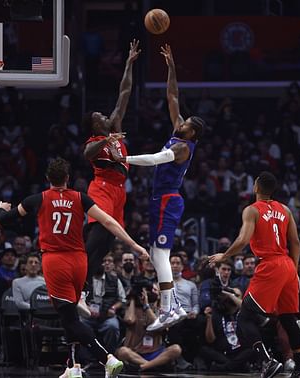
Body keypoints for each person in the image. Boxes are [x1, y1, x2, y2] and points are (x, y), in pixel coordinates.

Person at [0, 157, 148, 378]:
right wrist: (134, 245)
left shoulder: (35, 199)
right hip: (79, 261)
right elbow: (109, 222)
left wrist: (2, 209)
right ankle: (73, 366)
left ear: (48, 178)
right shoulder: (81, 198)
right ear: (68, 178)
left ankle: (107, 358)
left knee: (69, 319)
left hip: (56, 262)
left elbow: (6, 219)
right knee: (70, 316)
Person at [110, 44, 205, 332]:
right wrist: (171, 66)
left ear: (193, 133)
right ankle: (171, 303)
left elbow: (153, 159)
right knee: (155, 254)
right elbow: (173, 96)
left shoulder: (182, 147)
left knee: (161, 255)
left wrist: (123, 158)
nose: (182, 122)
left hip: (168, 200)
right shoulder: (179, 132)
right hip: (161, 199)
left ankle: (169, 307)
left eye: (187, 124)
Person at [209, 171, 300, 378]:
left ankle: (267, 361)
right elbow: (296, 242)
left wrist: (224, 255)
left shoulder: (251, 210)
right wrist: (294, 269)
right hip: (289, 265)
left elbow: (243, 239)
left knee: (244, 317)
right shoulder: (285, 210)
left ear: (256, 187)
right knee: (288, 318)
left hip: (271, 264)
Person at [82, 39, 140, 281]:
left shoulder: (114, 126)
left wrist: (128, 63)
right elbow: (87, 155)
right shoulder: (95, 140)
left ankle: (83, 283)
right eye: (101, 116)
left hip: (119, 192)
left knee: (106, 243)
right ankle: (75, 271)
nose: (106, 115)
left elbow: (124, 93)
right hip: (102, 189)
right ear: (96, 124)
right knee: (97, 237)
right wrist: (107, 141)